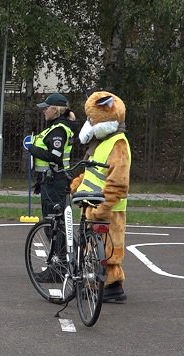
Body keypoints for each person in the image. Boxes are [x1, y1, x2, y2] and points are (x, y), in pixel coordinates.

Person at [71, 91, 132, 303]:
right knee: (94, 250)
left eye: (92, 118)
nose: (89, 123)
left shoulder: (118, 144)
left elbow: (118, 182)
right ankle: (97, 284)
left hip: (108, 209)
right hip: (92, 203)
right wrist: (78, 183)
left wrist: (102, 208)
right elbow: (94, 171)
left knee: (109, 250)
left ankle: (113, 287)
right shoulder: (101, 143)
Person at [27, 93, 76, 219]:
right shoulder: (53, 128)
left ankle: (60, 240)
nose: (44, 111)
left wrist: (32, 149)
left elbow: (55, 156)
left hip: (55, 180)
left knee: (53, 221)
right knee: (53, 221)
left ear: (55, 110)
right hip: (50, 179)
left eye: (46, 108)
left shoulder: (58, 130)